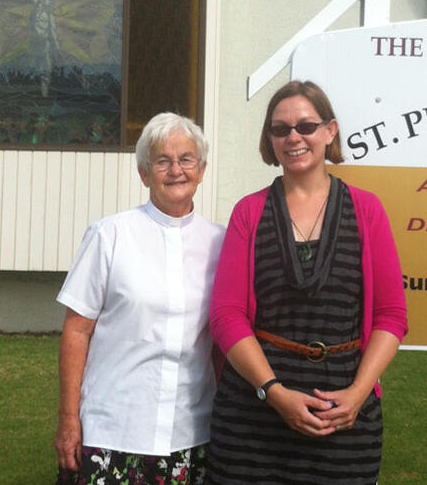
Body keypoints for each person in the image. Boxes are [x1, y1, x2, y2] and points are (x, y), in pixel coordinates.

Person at [206, 80, 408, 484]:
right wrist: (274, 393)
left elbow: (391, 316)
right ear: (270, 140)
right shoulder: (250, 212)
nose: (293, 137)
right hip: (253, 416)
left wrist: (357, 395)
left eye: (306, 126)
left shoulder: (366, 211)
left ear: (330, 131)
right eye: (280, 129)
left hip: (345, 417)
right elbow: (226, 316)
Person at [53, 112, 225, 485]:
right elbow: (77, 331)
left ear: (202, 169)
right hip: (113, 429)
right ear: (144, 173)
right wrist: (68, 418)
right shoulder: (109, 236)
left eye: (186, 159)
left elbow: (221, 340)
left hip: (190, 431)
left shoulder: (220, 243)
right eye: (162, 161)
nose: (175, 170)